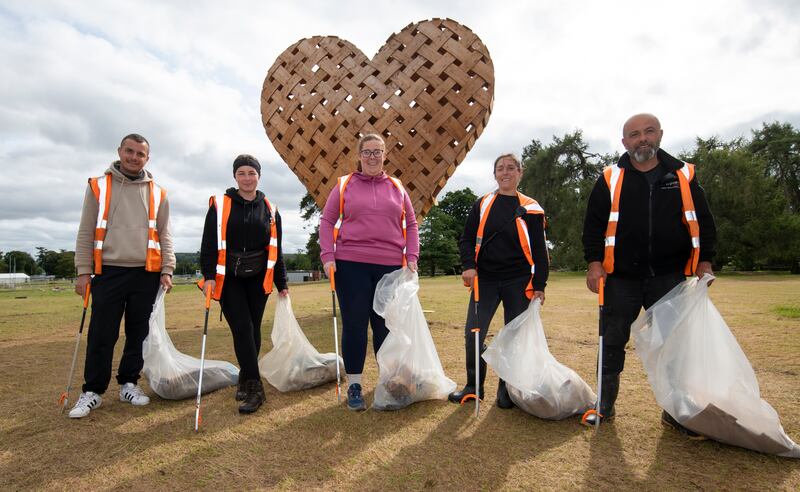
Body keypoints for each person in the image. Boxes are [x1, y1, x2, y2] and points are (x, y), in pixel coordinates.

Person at [581, 113, 716, 436]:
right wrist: (594, 263)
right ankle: (604, 405)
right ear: (624, 142)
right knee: (611, 342)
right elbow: (593, 226)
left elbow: (705, 222)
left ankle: (676, 412)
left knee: (673, 348)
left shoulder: (683, 175)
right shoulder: (610, 178)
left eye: (648, 132)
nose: (642, 139)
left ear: (660, 135)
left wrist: (706, 261)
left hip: (669, 278)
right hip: (621, 279)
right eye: (634, 134)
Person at [70, 134, 175, 419]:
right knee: (102, 334)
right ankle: (92, 390)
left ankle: (129, 383)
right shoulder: (98, 186)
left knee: (138, 334)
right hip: (109, 272)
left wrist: (167, 268)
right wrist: (83, 271)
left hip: (146, 273)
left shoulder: (158, 192)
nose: (133, 157)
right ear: (119, 151)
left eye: (140, 154)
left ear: (147, 158)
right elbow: (85, 231)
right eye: (129, 151)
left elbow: (164, 234)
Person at [319, 134, 420, 411]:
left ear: (385, 155)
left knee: (384, 327)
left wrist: (412, 256)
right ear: (360, 155)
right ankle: (355, 385)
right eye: (368, 152)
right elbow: (327, 221)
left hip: (389, 267)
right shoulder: (344, 185)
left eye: (378, 152)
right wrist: (328, 255)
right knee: (355, 325)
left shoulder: (397, 187)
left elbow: (411, 224)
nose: (373, 157)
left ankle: (388, 382)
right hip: (351, 265)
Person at [448, 153, 549, 409]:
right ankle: (474, 386)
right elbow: (466, 238)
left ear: (520, 173)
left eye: (511, 168)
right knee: (474, 332)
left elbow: (539, 249)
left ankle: (506, 390)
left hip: (519, 280)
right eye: (500, 169)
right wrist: (469, 266)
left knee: (512, 337)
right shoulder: (482, 204)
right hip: (486, 281)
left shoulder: (531, 208)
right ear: (495, 174)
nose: (506, 172)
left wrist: (540, 285)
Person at [199, 154, 288, 414]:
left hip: (260, 278)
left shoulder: (271, 209)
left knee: (253, 329)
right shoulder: (219, 205)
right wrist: (208, 277)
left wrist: (282, 282)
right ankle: (254, 385)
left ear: (259, 176)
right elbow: (207, 245)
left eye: (252, 173)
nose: (247, 178)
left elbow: (277, 248)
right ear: (235, 176)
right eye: (242, 173)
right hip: (229, 279)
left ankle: (244, 378)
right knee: (242, 327)